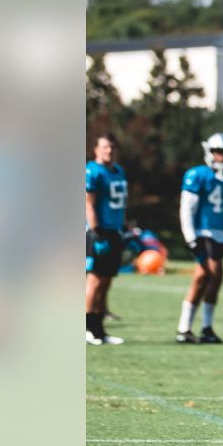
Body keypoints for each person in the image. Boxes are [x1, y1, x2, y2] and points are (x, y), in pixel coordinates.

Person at [176, 133, 223, 344]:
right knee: (211, 274)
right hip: (204, 233)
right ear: (210, 152)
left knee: (208, 279)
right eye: (220, 152)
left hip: (221, 234)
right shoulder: (197, 175)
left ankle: (199, 328)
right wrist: (191, 237)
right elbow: (187, 209)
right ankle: (190, 328)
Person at [85, 133, 127, 345]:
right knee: (94, 280)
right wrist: (95, 230)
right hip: (98, 231)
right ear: (96, 149)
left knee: (106, 282)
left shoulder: (118, 171)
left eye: (111, 147)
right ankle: (87, 327)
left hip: (114, 230)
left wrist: (123, 226)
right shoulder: (92, 171)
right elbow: (88, 203)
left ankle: (99, 329)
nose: (108, 151)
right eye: (104, 147)